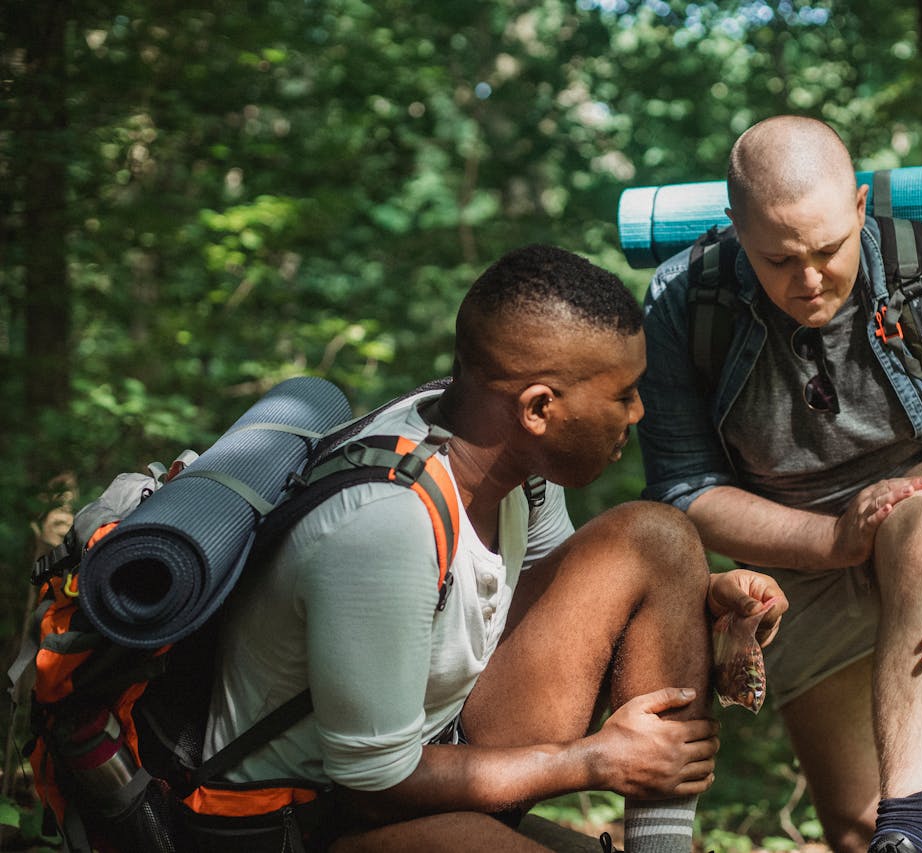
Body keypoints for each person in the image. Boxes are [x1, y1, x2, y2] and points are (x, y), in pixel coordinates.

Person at [203, 244, 787, 853]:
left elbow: (568, 619)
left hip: (436, 756)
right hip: (303, 821)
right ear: (538, 408)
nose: (638, 412)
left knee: (658, 538)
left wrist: (703, 597)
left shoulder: (514, 466)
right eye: (624, 394)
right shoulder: (388, 527)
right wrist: (595, 762)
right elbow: (372, 782)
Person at [636, 116, 922, 853]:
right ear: (734, 229)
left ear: (860, 207)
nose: (810, 278)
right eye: (779, 258)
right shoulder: (682, 305)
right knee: (857, 831)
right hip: (798, 559)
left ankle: (909, 831)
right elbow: (683, 490)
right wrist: (830, 538)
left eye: (828, 249)